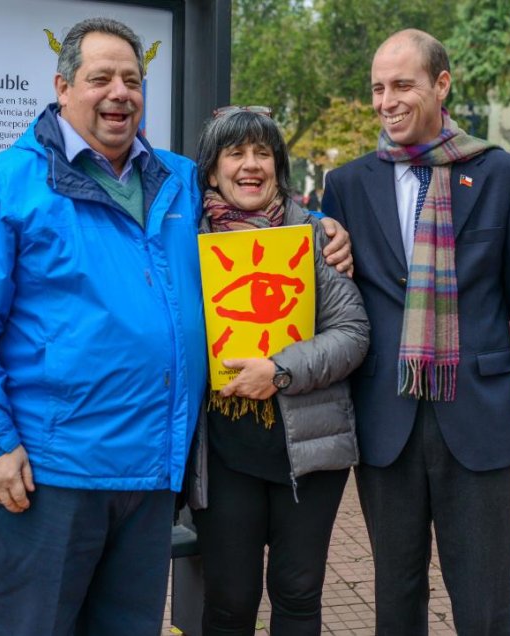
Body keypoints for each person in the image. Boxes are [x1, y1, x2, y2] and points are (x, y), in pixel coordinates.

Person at [0, 18, 352, 636]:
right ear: (63, 87)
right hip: (52, 473)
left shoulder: (177, 177)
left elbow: (247, 202)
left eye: (131, 78)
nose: (119, 92)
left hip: (150, 474)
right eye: (100, 77)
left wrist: (321, 227)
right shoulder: (2, 188)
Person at [321, 29, 510, 635]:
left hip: (479, 416)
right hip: (386, 417)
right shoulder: (348, 185)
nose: (387, 101)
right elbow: (333, 295)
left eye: (402, 85)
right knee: (395, 594)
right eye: (378, 88)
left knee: (483, 598)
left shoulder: (503, 176)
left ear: (441, 85)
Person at [185, 108, 369, 635]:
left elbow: (353, 333)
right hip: (221, 456)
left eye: (262, 153)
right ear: (212, 170)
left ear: (278, 165)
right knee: (228, 601)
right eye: (235, 153)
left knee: (297, 594)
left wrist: (280, 371)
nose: (250, 165)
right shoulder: (182, 242)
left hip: (308, 455)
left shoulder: (312, 237)